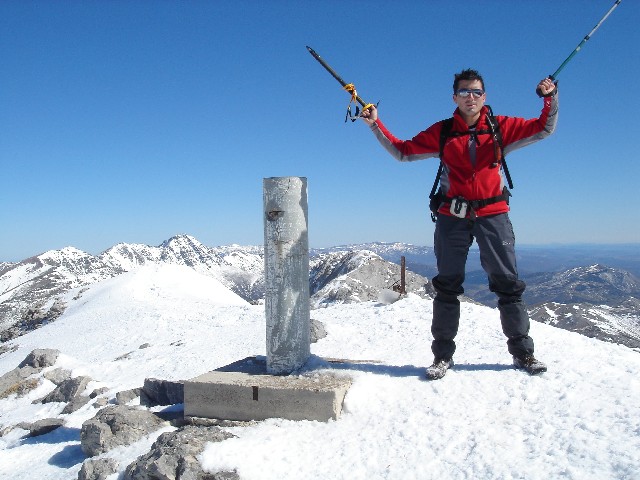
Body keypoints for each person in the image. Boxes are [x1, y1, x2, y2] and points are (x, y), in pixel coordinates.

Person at [360, 69, 558, 379]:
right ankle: (442, 357)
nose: (470, 97)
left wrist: (550, 98)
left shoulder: (500, 128)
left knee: (508, 285)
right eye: (464, 92)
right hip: (452, 216)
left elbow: (543, 128)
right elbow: (403, 151)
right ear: (454, 97)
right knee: (447, 286)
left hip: (493, 215)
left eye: (476, 92)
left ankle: (524, 354)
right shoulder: (443, 132)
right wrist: (375, 124)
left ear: (484, 96)